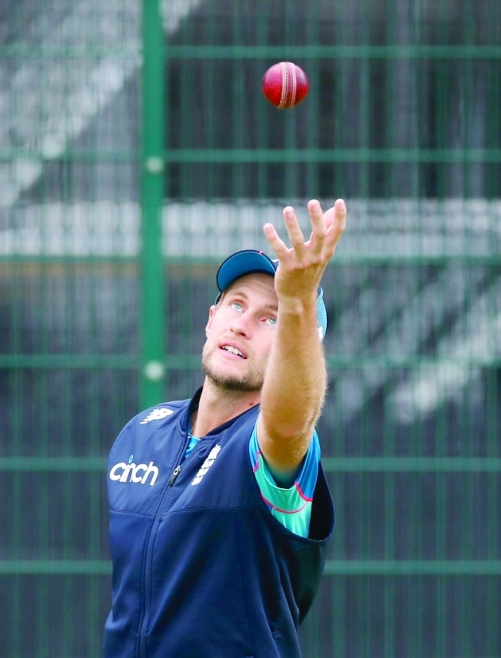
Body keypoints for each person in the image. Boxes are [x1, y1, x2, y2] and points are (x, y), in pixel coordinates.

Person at [104, 198, 347, 658]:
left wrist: (297, 300)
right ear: (211, 319)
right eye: (236, 304)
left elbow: (290, 424)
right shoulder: (140, 435)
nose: (243, 325)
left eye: (271, 318)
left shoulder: (275, 446)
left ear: (297, 347)